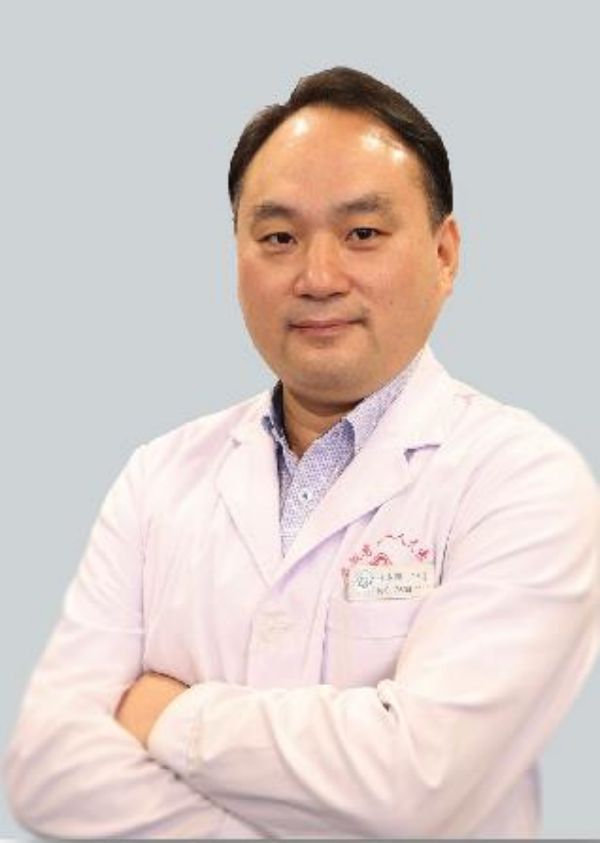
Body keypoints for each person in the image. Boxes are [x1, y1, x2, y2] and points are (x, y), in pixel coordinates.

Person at [4, 66, 599, 839]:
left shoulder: (525, 480)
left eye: (363, 234)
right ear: (237, 254)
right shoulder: (158, 477)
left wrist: (169, 715)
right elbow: (47, 766)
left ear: (445, 253)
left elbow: (416, 783)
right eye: (279, 238)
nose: (318, 277)